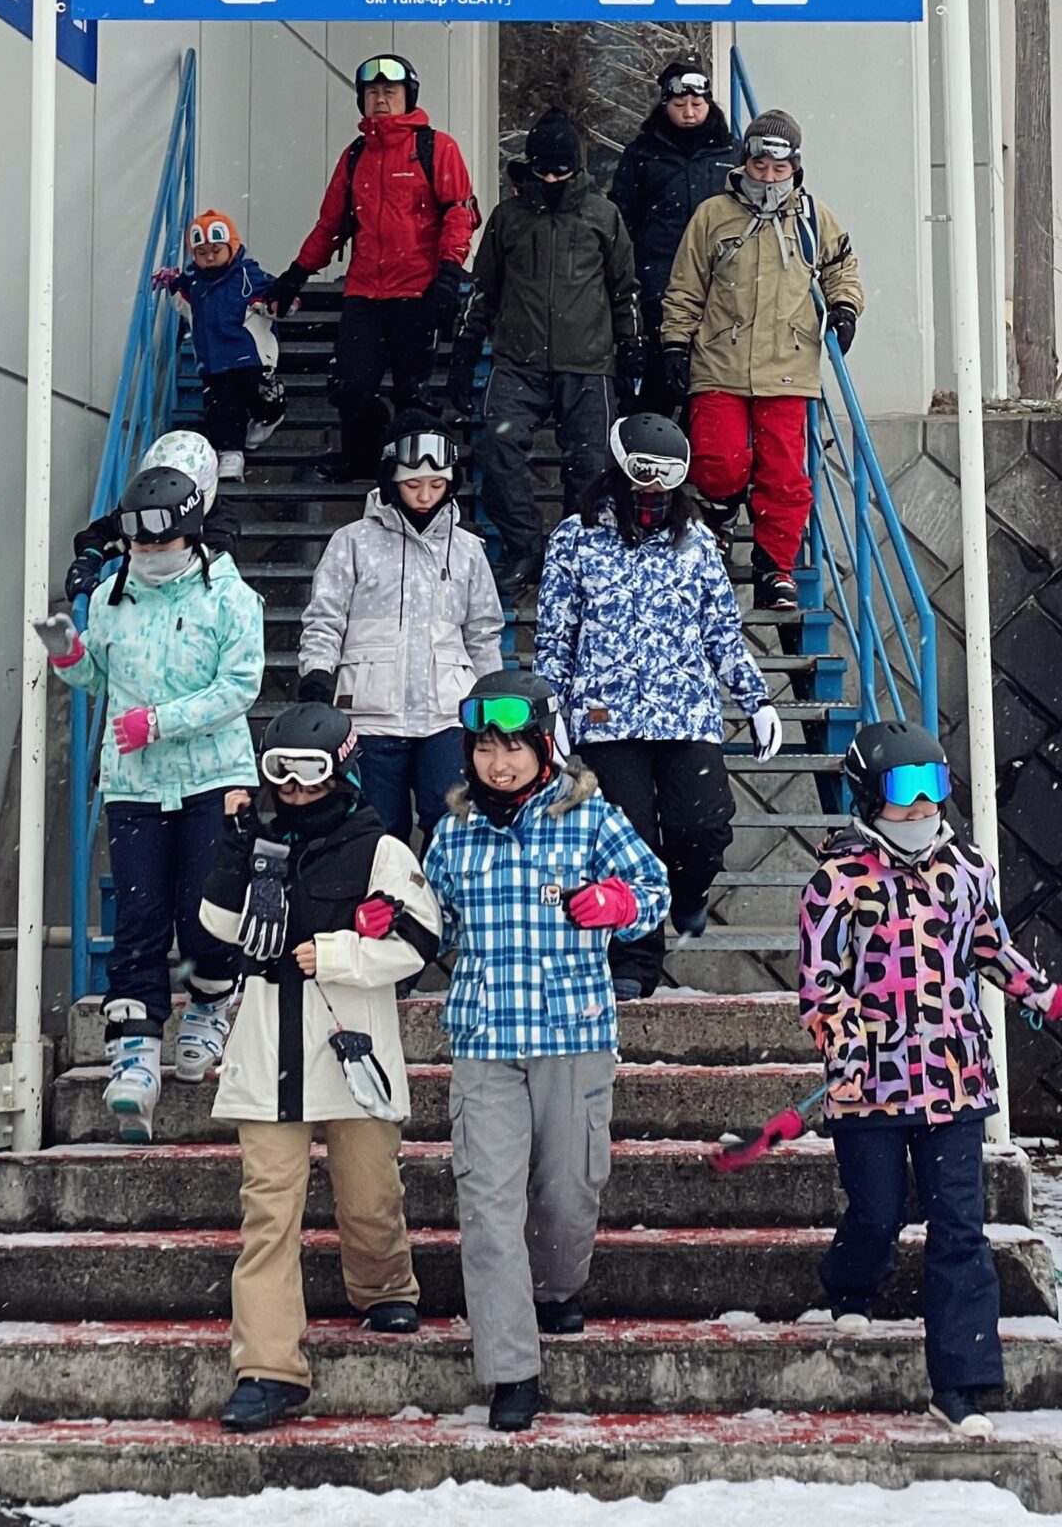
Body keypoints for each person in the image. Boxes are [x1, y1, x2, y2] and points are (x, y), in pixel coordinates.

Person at [798, 719, 1062, 1439]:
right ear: (870, 797)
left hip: (953, 1080)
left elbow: (991, 948)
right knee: (878, 1212)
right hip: (868, 1086)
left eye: (934, 790)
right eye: (905, 793)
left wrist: (1050, 999)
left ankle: (963, 1385)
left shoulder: (966, 871)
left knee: (961, 1230)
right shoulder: (835, 881)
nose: (921, 809)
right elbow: (818, 988)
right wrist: (850, 1043)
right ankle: (850, 1281)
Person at [424, 670, 669, 1435]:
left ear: (544, 748)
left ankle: (560, 1285)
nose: (499, 764)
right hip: (486, 1041)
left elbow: (653, 886)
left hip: (574, 1038)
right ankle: (510, 1372)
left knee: (567, 1191)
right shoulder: (452, 832)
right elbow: (434, 923)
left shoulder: (589, 814)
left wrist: (619, 902)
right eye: (486, 749)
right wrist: (391, 926)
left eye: (515, 749)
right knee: (489, 1208)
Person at [200, 701, 442, 1433]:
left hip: (350, 1043)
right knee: (269, 1210)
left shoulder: (380, 849)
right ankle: (268, 1367)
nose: (296, 788)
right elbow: (214, 925)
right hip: (269, 1042)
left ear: (341, 768)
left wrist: (337, 953)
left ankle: (383, 1285)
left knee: (369, 1192)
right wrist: (236, 847)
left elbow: (419, 941)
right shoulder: (257, 838)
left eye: (310, 772)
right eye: (281, 773)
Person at [34, 458, 264, 1138]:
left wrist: (160, 722)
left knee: (206, 912)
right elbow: (98, 676)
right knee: (138, 920)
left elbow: (240, 687)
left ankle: (210, 1004)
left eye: (160, 545)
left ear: (189, 538)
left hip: (212, 778)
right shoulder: (112, 593)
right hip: (135, 784)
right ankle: (133, 1053)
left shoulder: (229, 598)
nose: (148, 555)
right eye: (137, 544)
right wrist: (67, 652)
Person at [532, 412, 780, 999]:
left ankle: (689, 892)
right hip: (604, 717)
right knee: (627, 842)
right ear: (619, 470)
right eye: (643, 473)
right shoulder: (575, 539)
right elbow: (554, 635)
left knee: (703, 826)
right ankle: (636, 961)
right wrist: (554, 709)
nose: (653, 488)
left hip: (685, 712)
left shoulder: (698, 546)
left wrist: (757, 698)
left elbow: (721, 631)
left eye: (667, 476)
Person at [659, 107, 864, 615]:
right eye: (758, 167)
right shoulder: (711, 216)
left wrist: (844, 308)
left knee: (784, 476)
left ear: (794, 166)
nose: (768, 177)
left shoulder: (814, 217)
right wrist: (675, 344)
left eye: (779, 169)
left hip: (788, 365)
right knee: (719, 460)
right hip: (719, 360)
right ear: (744, 162)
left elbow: (842, 267)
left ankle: (777, 567)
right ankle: (719, 517)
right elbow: (685, 288)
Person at [444, 109, 642, 598]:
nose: (552, 179)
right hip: (518, 361)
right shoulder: (508, 217)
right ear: (529, 168)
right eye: (543, 171)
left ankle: (576, 553)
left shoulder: (603, 215)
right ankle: (523, 547)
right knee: (497, 447)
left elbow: (625, 291)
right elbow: (483, 291)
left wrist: (633, 348)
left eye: (561, 171)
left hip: (588, 363)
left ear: (576, 168)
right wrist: (464, 354)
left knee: (591, 464)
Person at [264, 56, 479, 484]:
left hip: (417, 290)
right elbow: (331, 225)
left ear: (407, 98)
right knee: (350, 386)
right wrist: (296, 274)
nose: (380, 100)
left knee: (411, 390)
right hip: (365, 291)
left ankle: (417, 470)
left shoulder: (436, 147)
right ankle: (363, 455)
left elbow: (460, 211)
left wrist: (450, 272)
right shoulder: (355, 155)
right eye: (372, 93)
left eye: (390, 93)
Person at [298, 411, 504, 849]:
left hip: (448, 712)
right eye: (413, 485)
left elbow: (483, 631)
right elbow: (325, 617)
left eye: (437, 485)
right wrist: (317, 674)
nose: (426, 496)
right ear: (391, 479)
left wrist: (490, 700)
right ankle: (378, 912)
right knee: (375, 829)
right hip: (370, 713)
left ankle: (440, 911)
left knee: (450, 823)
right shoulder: (351, 541)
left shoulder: (467, 549)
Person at [608, 60, 734, 412]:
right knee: (656, 384)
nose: (689, 112)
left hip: (721, 284)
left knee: (713, 386)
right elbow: (622, 218)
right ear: (665, 105)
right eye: (680, 105)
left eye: (697, 104)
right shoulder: (642, 153)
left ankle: (704, 460)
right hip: (657, 282)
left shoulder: (731, 154)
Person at [151, 209, 280, 481]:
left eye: (216, 250)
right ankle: (231, 453)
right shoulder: (195, 282)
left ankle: (270, 414)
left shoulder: (249, 274)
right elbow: (183, 298)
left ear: (231, 247)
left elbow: (274, 295)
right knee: (222, 405)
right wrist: (171, 281)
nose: (209, 257)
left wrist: (281, 304)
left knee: (255, 393)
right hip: (215, 359)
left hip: (250, 354)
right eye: (201, 252)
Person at [63, 428, 232, 609]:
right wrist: (89, 560)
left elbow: (202, 592)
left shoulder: (220, 532)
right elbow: (100, 534)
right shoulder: (145, 512)